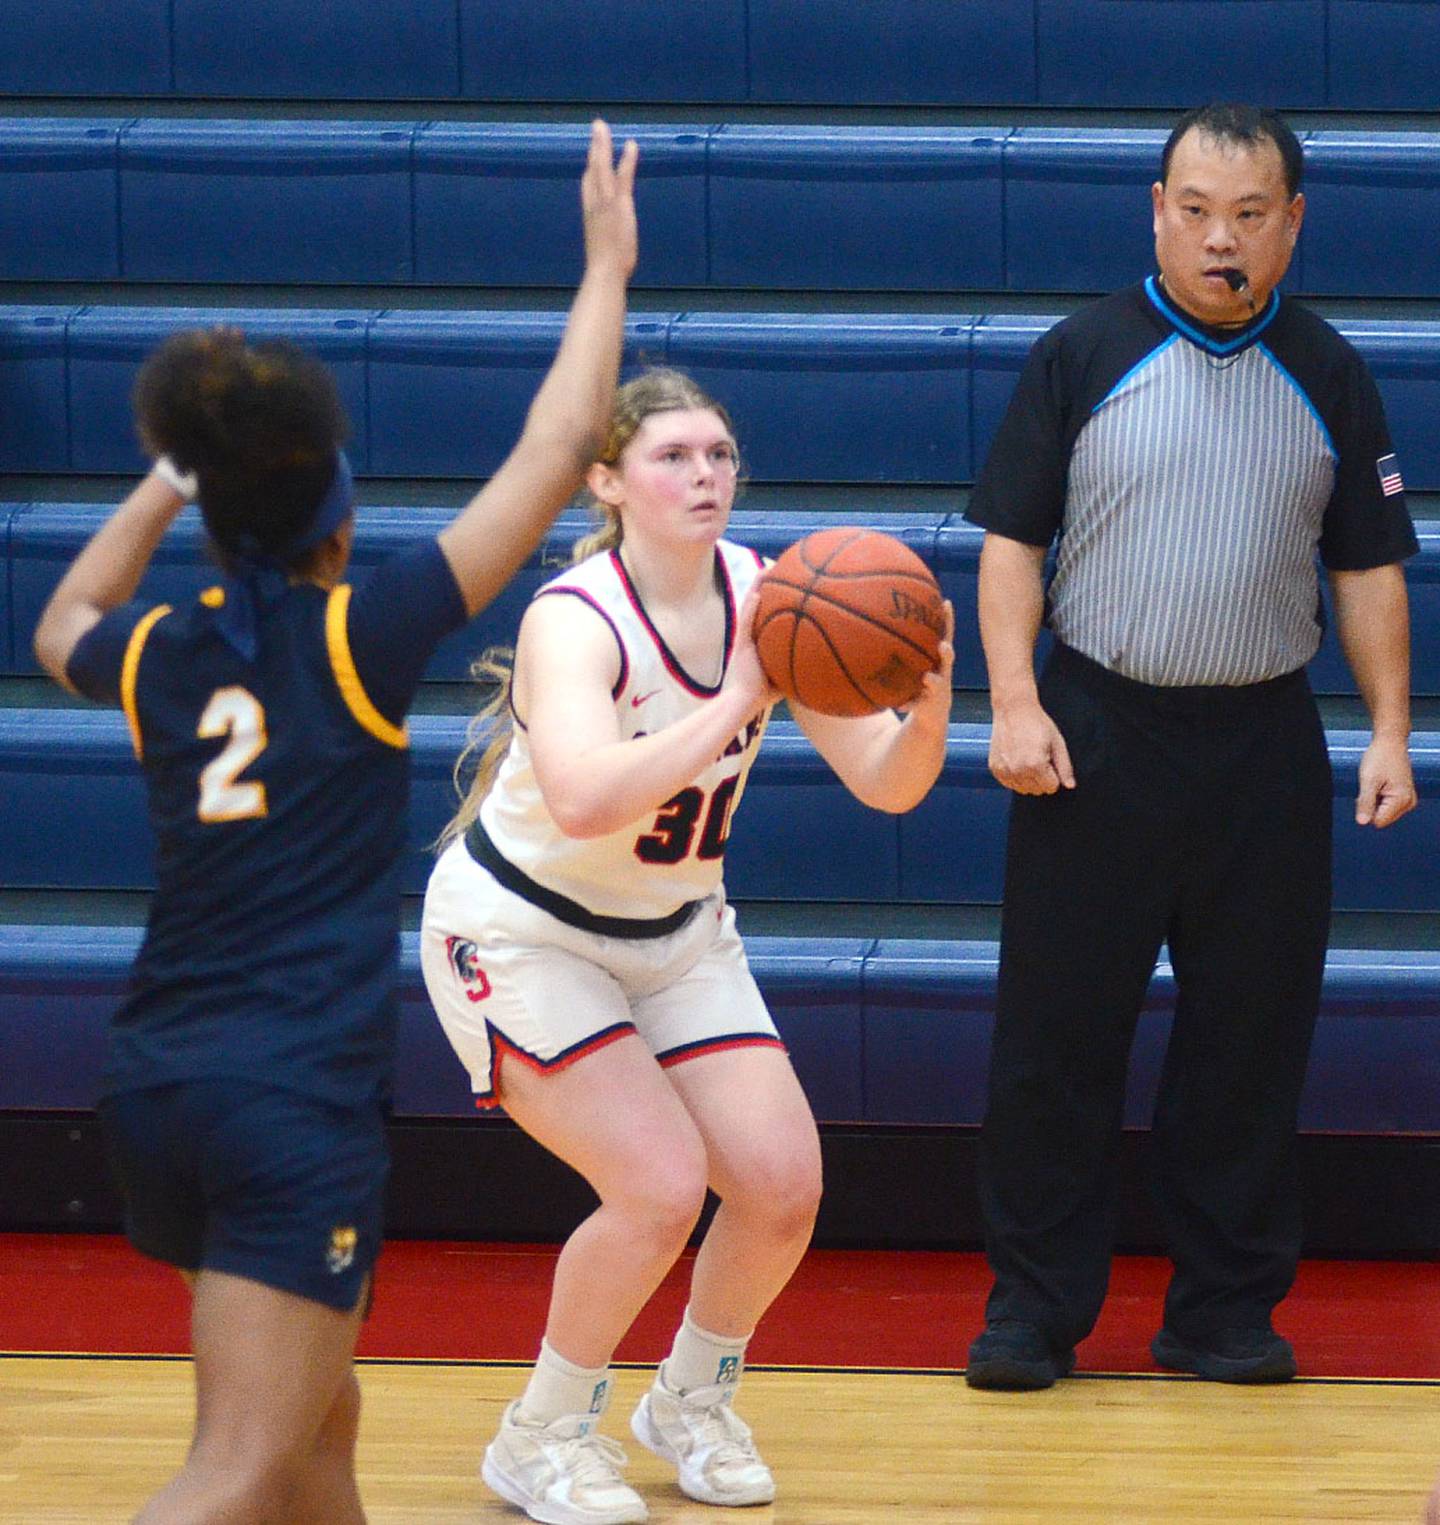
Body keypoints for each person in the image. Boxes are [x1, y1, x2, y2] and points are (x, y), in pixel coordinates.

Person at [31, 120, 637, 1523]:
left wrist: (175, 469)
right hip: (288, 1095)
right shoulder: (363, 633)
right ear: (340, 520)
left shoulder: (161, 649)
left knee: (318, 1422)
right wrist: (607, 265)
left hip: (160, 1086)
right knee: (238, 1464)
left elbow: (61, 616)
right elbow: (557, 450)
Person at [420, 366, 954, 1523]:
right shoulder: (575, 619)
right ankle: (540, 1434)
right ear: (608, 481)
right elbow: (581, 799)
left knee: (781, 1186)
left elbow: (886, 783)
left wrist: (929, 707)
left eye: (718, 454)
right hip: (521, 932)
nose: (705, 474)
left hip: (676, 932)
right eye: (673, 456)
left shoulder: (772, 595)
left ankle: (689, 1402)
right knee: (658, 1187)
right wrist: (737, 696)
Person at [962, 103, 1418, 1393]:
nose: (1223, 239)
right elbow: (1012, 545)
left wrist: (1390, 730)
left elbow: (1369, 569)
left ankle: (1223, 1312)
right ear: (1157, 213)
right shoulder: (1081, 354)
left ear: (1292, 225)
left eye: (1250, 215)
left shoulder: (1331, 372)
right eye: (1199, 211)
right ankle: (1032, 1313)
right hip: (1095, 733)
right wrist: (1013, 702)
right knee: (1055, 1042)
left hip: (1263, 747)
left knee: (1248, 1047)